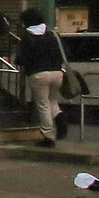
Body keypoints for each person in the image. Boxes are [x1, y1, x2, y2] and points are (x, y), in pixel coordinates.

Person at [17, 8, 65, 147]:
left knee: (43, 104)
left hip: (38, 74)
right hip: (57, 73)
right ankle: (60, 117)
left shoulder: (28, 37)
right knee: (52, 101)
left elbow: (22, 58)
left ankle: (48, 136)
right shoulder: (53, 35)